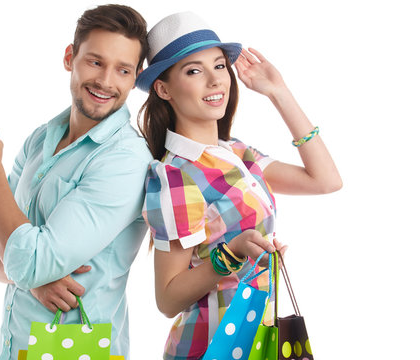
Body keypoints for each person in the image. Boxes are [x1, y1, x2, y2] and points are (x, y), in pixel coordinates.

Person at [136, 12, 342, 359]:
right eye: (194, 70)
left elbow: (325, 180)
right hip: (211, 344)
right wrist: (232, 253)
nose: (215, 81)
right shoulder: (175, 176)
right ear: (163, 88)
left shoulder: (236, 154)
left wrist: (278, 92)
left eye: (219, 66)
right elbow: (168, 299)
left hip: (259, 338)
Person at [0, 5, 151, 360]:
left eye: (123, 70)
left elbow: (28, 261)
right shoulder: (41, 139)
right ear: (70, 57)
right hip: (16, 347)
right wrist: (32, 278)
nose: (106, 81)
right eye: (95, 62)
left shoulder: (125, 160)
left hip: (80, 350)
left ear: (134, 77)